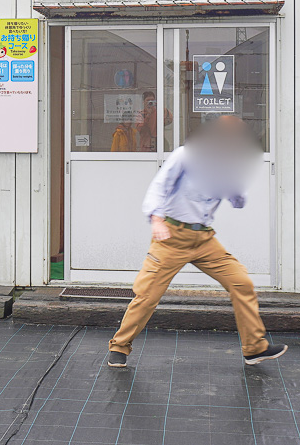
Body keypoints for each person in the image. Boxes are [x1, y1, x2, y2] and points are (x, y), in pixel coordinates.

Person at [107, 115, 288, 368]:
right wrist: (156, 219)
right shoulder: (185, 155)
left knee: (241, 282)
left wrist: (235, 189)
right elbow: (159, 186)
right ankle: (120, 347)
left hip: (203, 239)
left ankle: (254, 348)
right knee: (147, 295)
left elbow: (238, 200)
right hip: (171, 236)